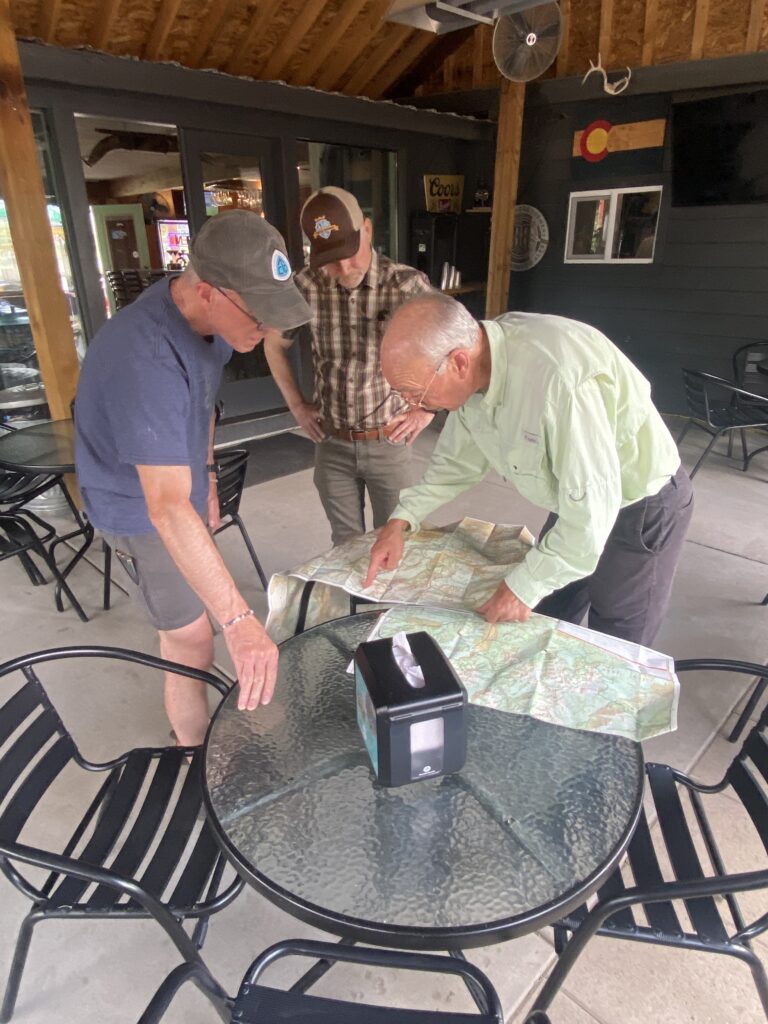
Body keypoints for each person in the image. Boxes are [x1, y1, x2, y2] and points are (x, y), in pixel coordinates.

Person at [75, 211, 311, 745]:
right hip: (135, 506)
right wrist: (240, 622)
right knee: (192, 640)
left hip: (177, 487)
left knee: (208, 611)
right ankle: (194, 754)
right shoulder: (144, 355)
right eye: (260, 316)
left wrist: (204, 473)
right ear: (207, 291)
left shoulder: (210, 323)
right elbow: (164, 508)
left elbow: (204, 399)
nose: (269, 329)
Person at [365, 293, 693, 646]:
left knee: (615, 638)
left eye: (416, 393)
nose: (414, 406)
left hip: (642, 503)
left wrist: (522, 587)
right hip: (576, 496)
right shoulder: (478, 365)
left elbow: (590, 517)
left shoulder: (558, 382)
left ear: (459, 362)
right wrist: (401, 521)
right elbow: (455, 464)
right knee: (548, 612)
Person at [264, 186, 435, 546]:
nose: (341, 267)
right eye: (329, 257)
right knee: (345, 546)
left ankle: (388, 606)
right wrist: (296, 404)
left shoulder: (406, 285)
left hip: (389, 440)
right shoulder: (306, 286)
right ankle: (354, 604)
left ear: (368, 230)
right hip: (332, 443)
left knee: (396, 541)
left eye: (348, 252)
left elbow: (449, 350)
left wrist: (428, 410)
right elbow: (274, 343)